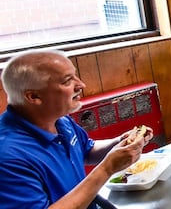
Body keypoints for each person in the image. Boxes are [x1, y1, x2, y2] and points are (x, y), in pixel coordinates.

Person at [0, 50, 152, 209]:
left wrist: (121, 142)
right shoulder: (7, 157)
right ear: (34, 97)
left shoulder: (59, 119)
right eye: (67, 81)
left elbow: (87, 150)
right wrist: (107, 168)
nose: (81, 85)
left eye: (75, 76)